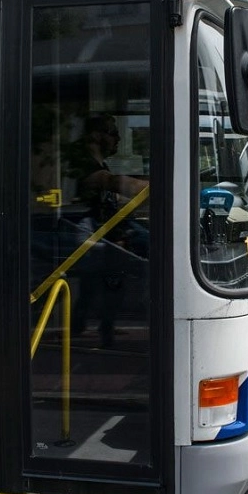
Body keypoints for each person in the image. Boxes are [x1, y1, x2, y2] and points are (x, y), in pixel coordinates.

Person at [66, 113, 149, 347]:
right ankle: (102, 332)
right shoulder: (84, 165)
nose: (118, 139)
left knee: (95, 284)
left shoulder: (99, 163)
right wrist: (165, 184)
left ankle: (86, 326)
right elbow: (114, 183)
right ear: (95, 136)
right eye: (113, 133)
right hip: (89, 238)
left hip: (101, 235)